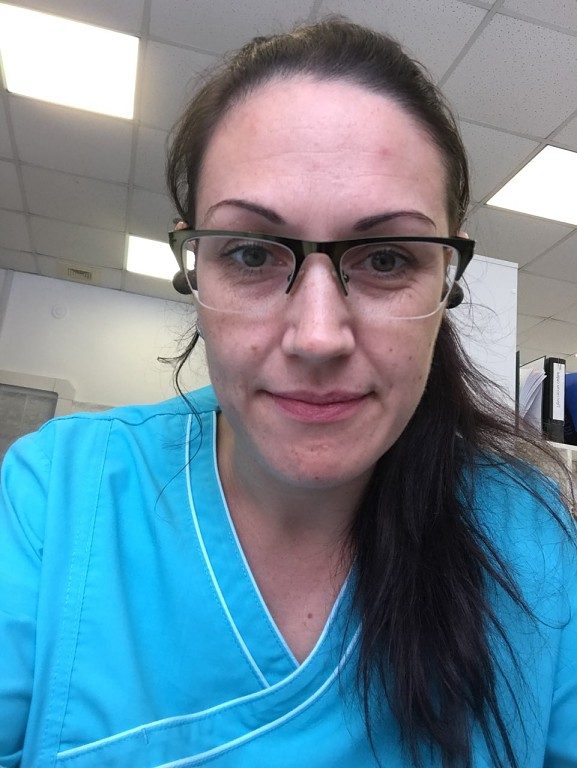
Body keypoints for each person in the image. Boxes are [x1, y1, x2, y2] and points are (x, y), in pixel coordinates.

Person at [1, 17, 575, 768]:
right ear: (195, 270)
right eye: (250, 253)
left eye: (386, 258)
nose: (317, 336)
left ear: (446, 279)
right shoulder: (58, 495)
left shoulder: (528, 537)